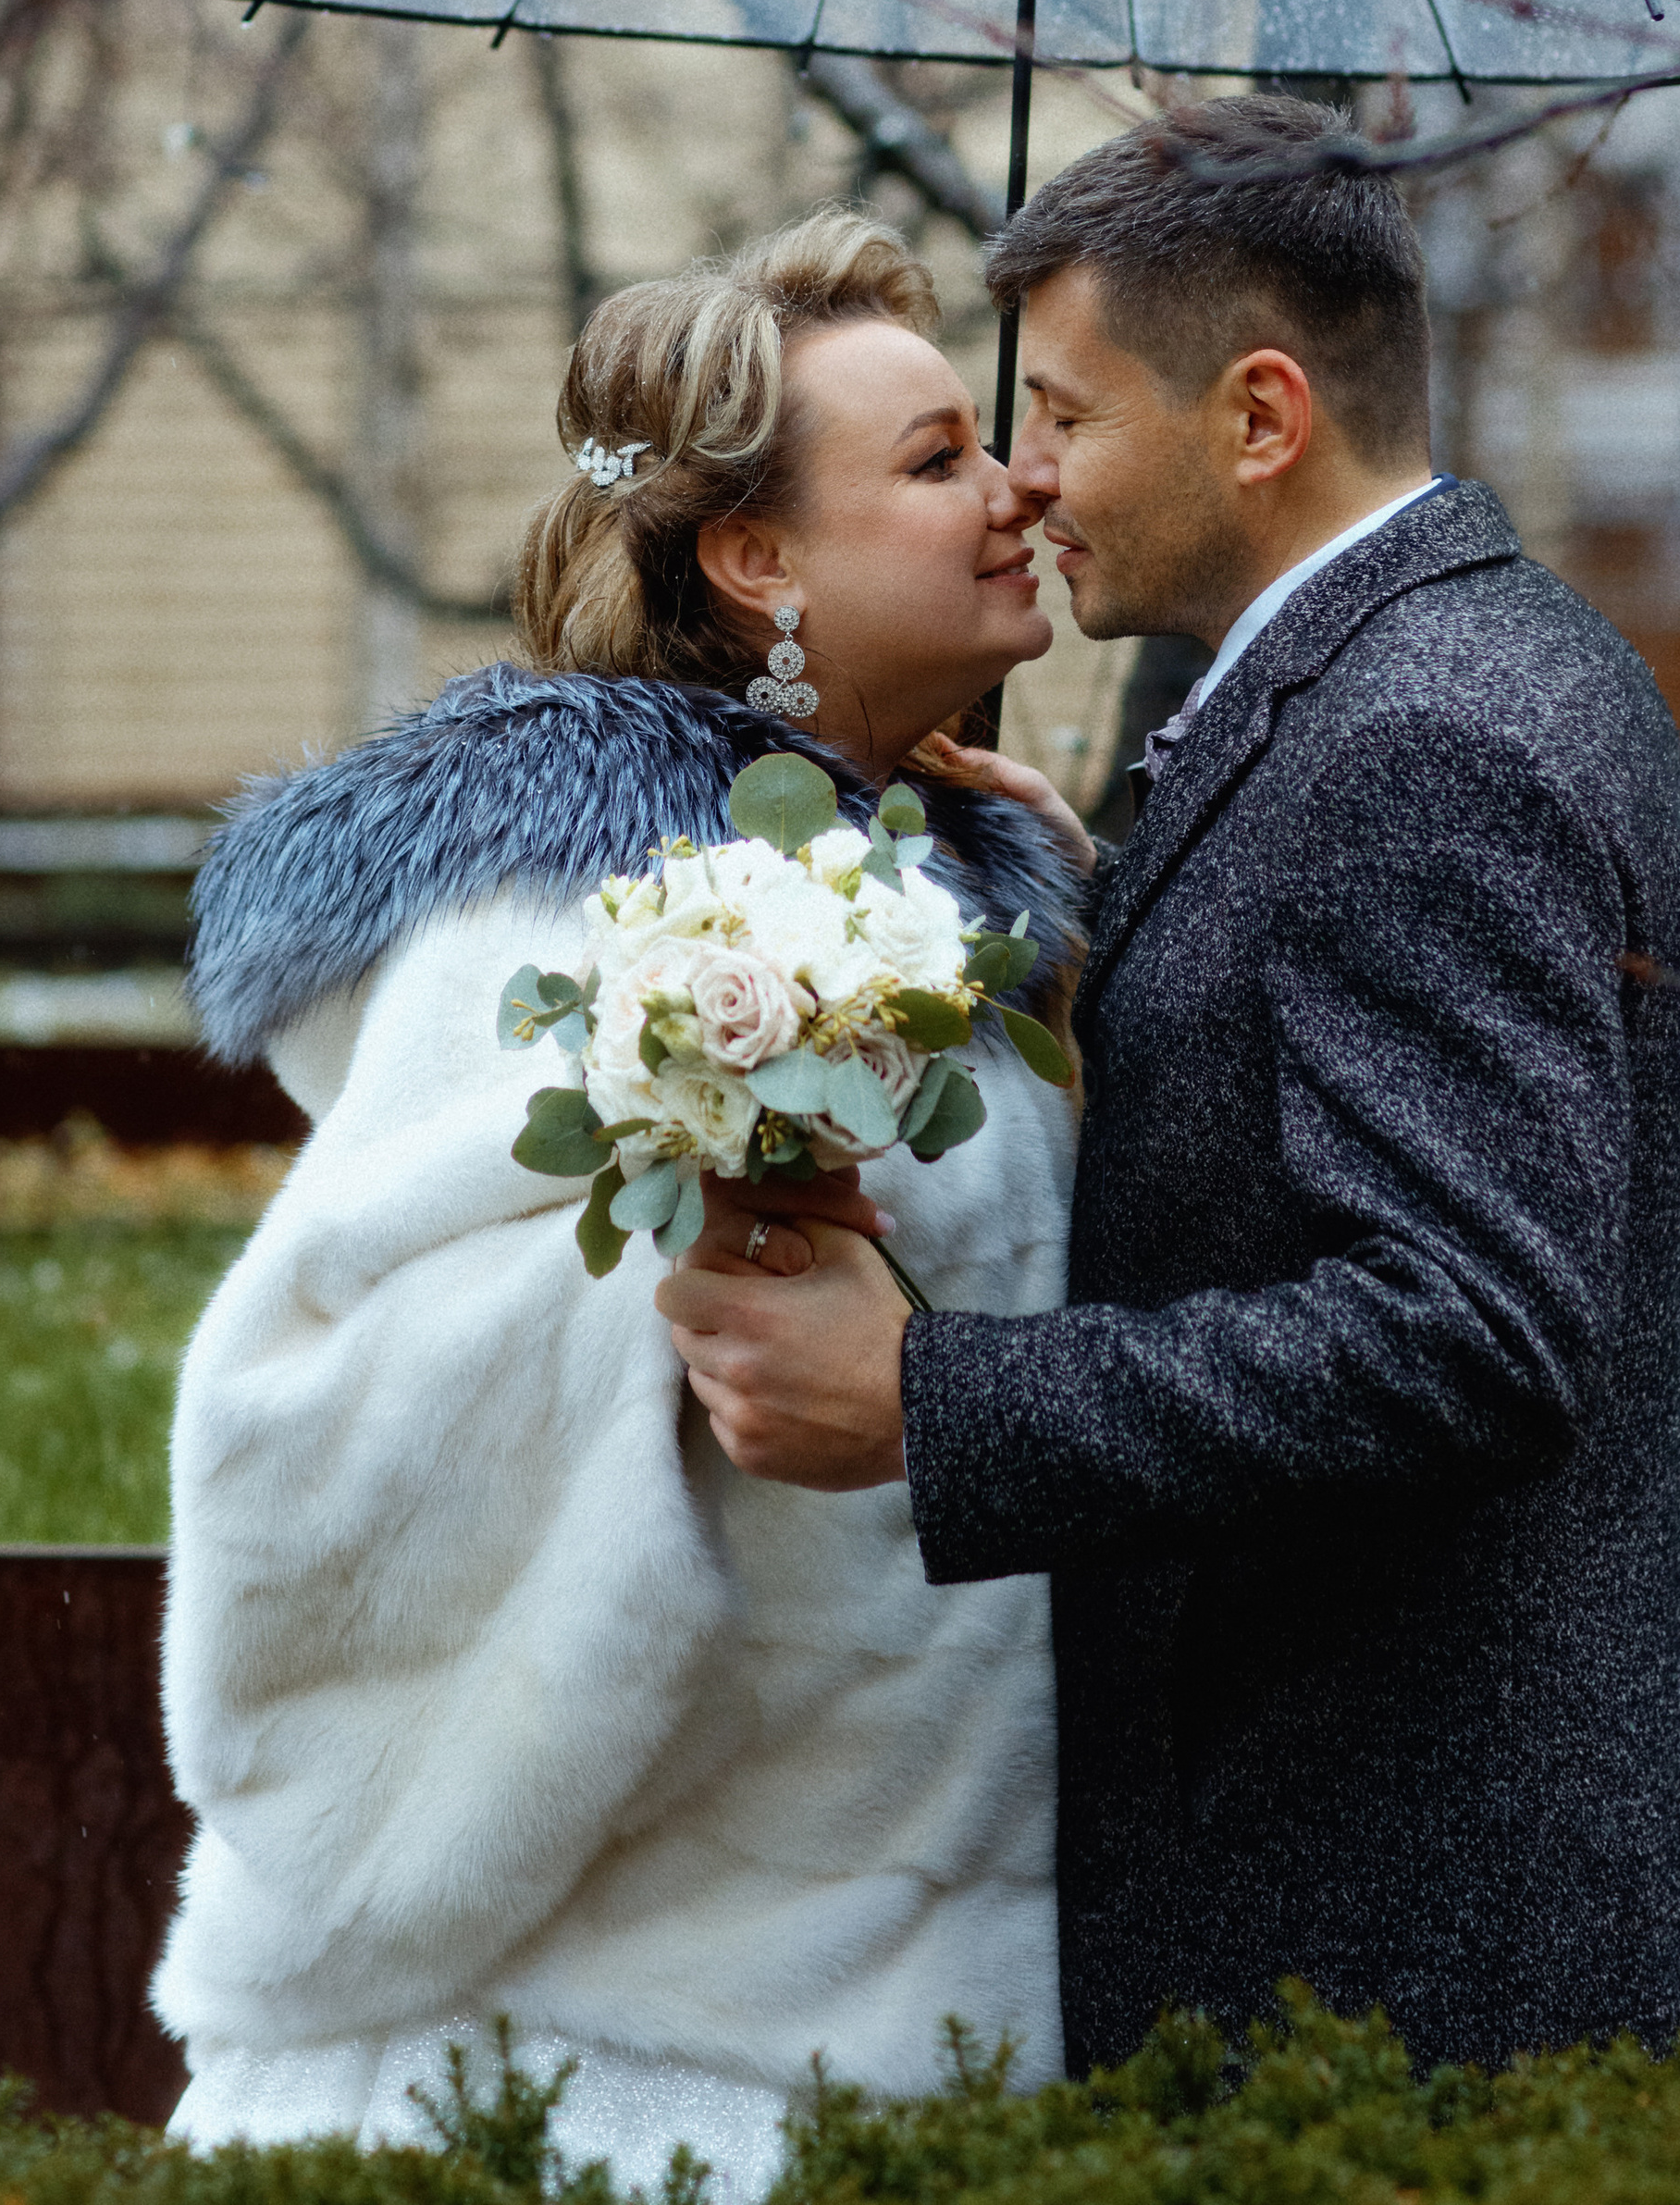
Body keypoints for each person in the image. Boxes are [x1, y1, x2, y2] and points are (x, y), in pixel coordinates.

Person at [661, 94, 1680, 2081]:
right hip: (1372, 1899)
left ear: (1256, 418)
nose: (1026, 480)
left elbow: (1466, 1336)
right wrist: (1129, 941)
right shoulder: (1433, 674)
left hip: (1397, 1940)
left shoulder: (1418, 740)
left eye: (1064, 417)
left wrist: (926, 1397)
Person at [153, 211, 1091, 2192]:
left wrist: (1053, 968)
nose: (1014, 488)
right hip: (617, 2064)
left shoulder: (937, 898)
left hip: (916, 2024)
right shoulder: (561, 914)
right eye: (932, 462)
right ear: (756, 563)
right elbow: (303, 1407)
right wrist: (698, 1265)